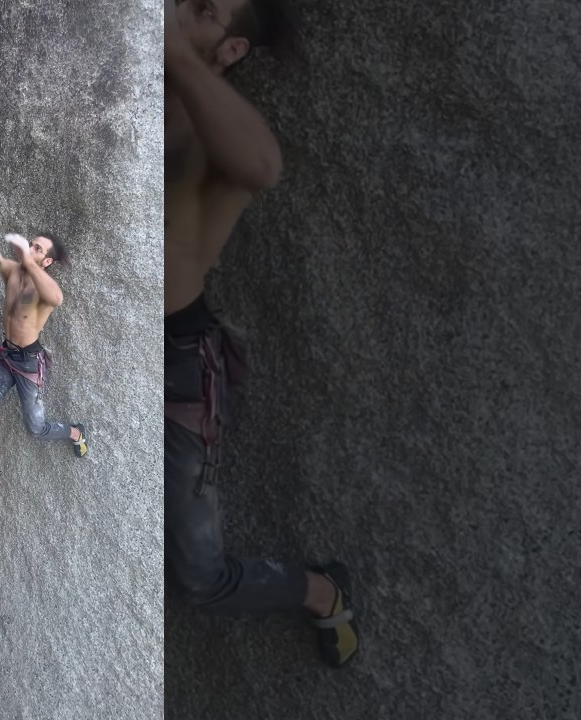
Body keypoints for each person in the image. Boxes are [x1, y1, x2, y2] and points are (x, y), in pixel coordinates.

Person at [165, 0, 360, 667]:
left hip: (176, 363)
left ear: (231, 50)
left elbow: (262, 166)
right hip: (83, 325)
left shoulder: (212, 122)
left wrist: (170, 51)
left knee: (198, 576)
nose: (173, 8)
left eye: (200, 9)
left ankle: (320, 591)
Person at [0, 195, 88, 488]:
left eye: (36, 248)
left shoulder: (43, 288)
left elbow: (58, 298)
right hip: (7, 357)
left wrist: (29, 261)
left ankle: (75, 433)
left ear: (46, 261)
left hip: (29, 363)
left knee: (35, 428)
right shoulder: (12, 271)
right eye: (30, 243)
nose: (29, 248)